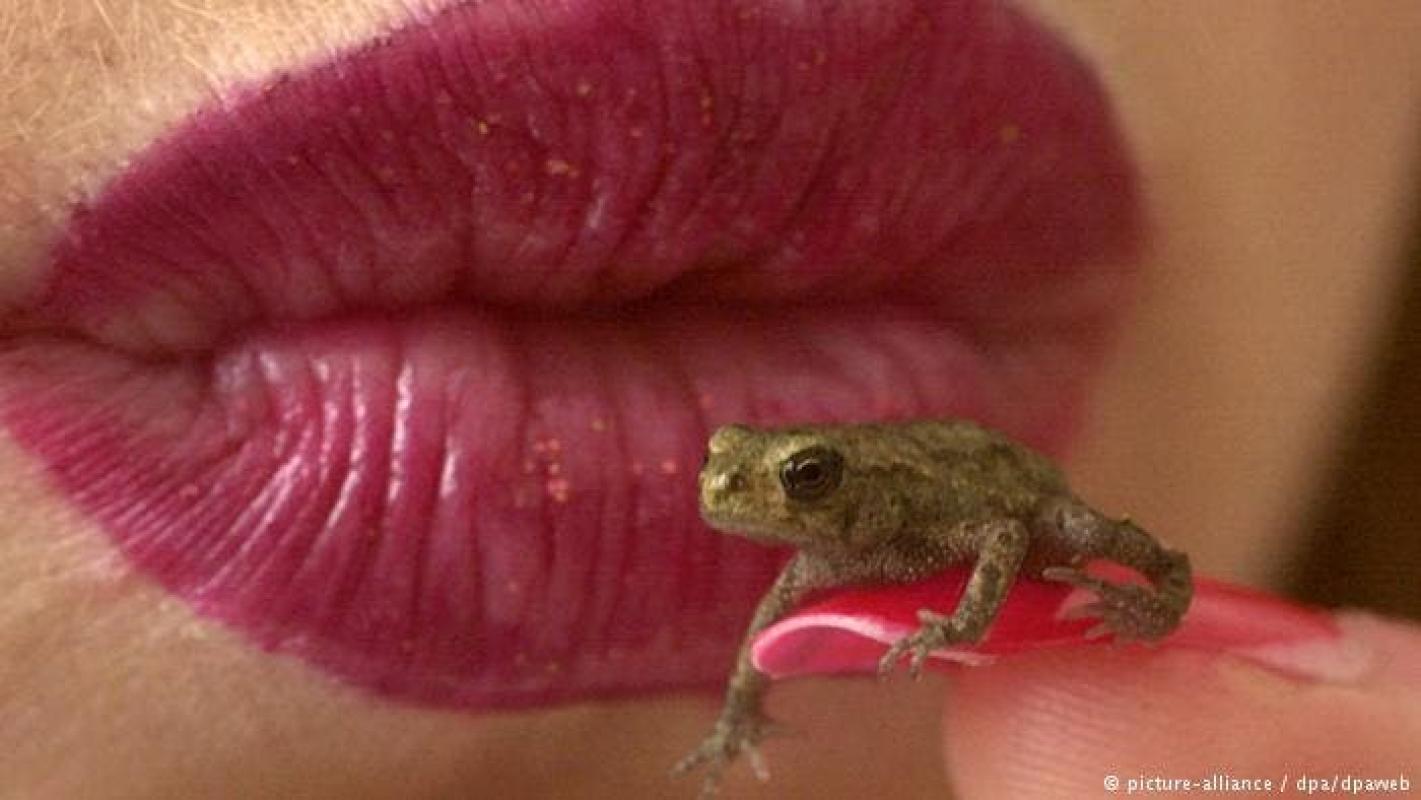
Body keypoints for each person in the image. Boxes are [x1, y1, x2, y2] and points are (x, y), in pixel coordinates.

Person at [1, 1, 1418, 797]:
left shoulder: (916, 513)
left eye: (794, 480)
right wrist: (743, 718)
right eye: (736, 469)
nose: (724, 495)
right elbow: (772, 637)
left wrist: (1016, 611)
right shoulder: (818, 553)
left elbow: (1002, 531)